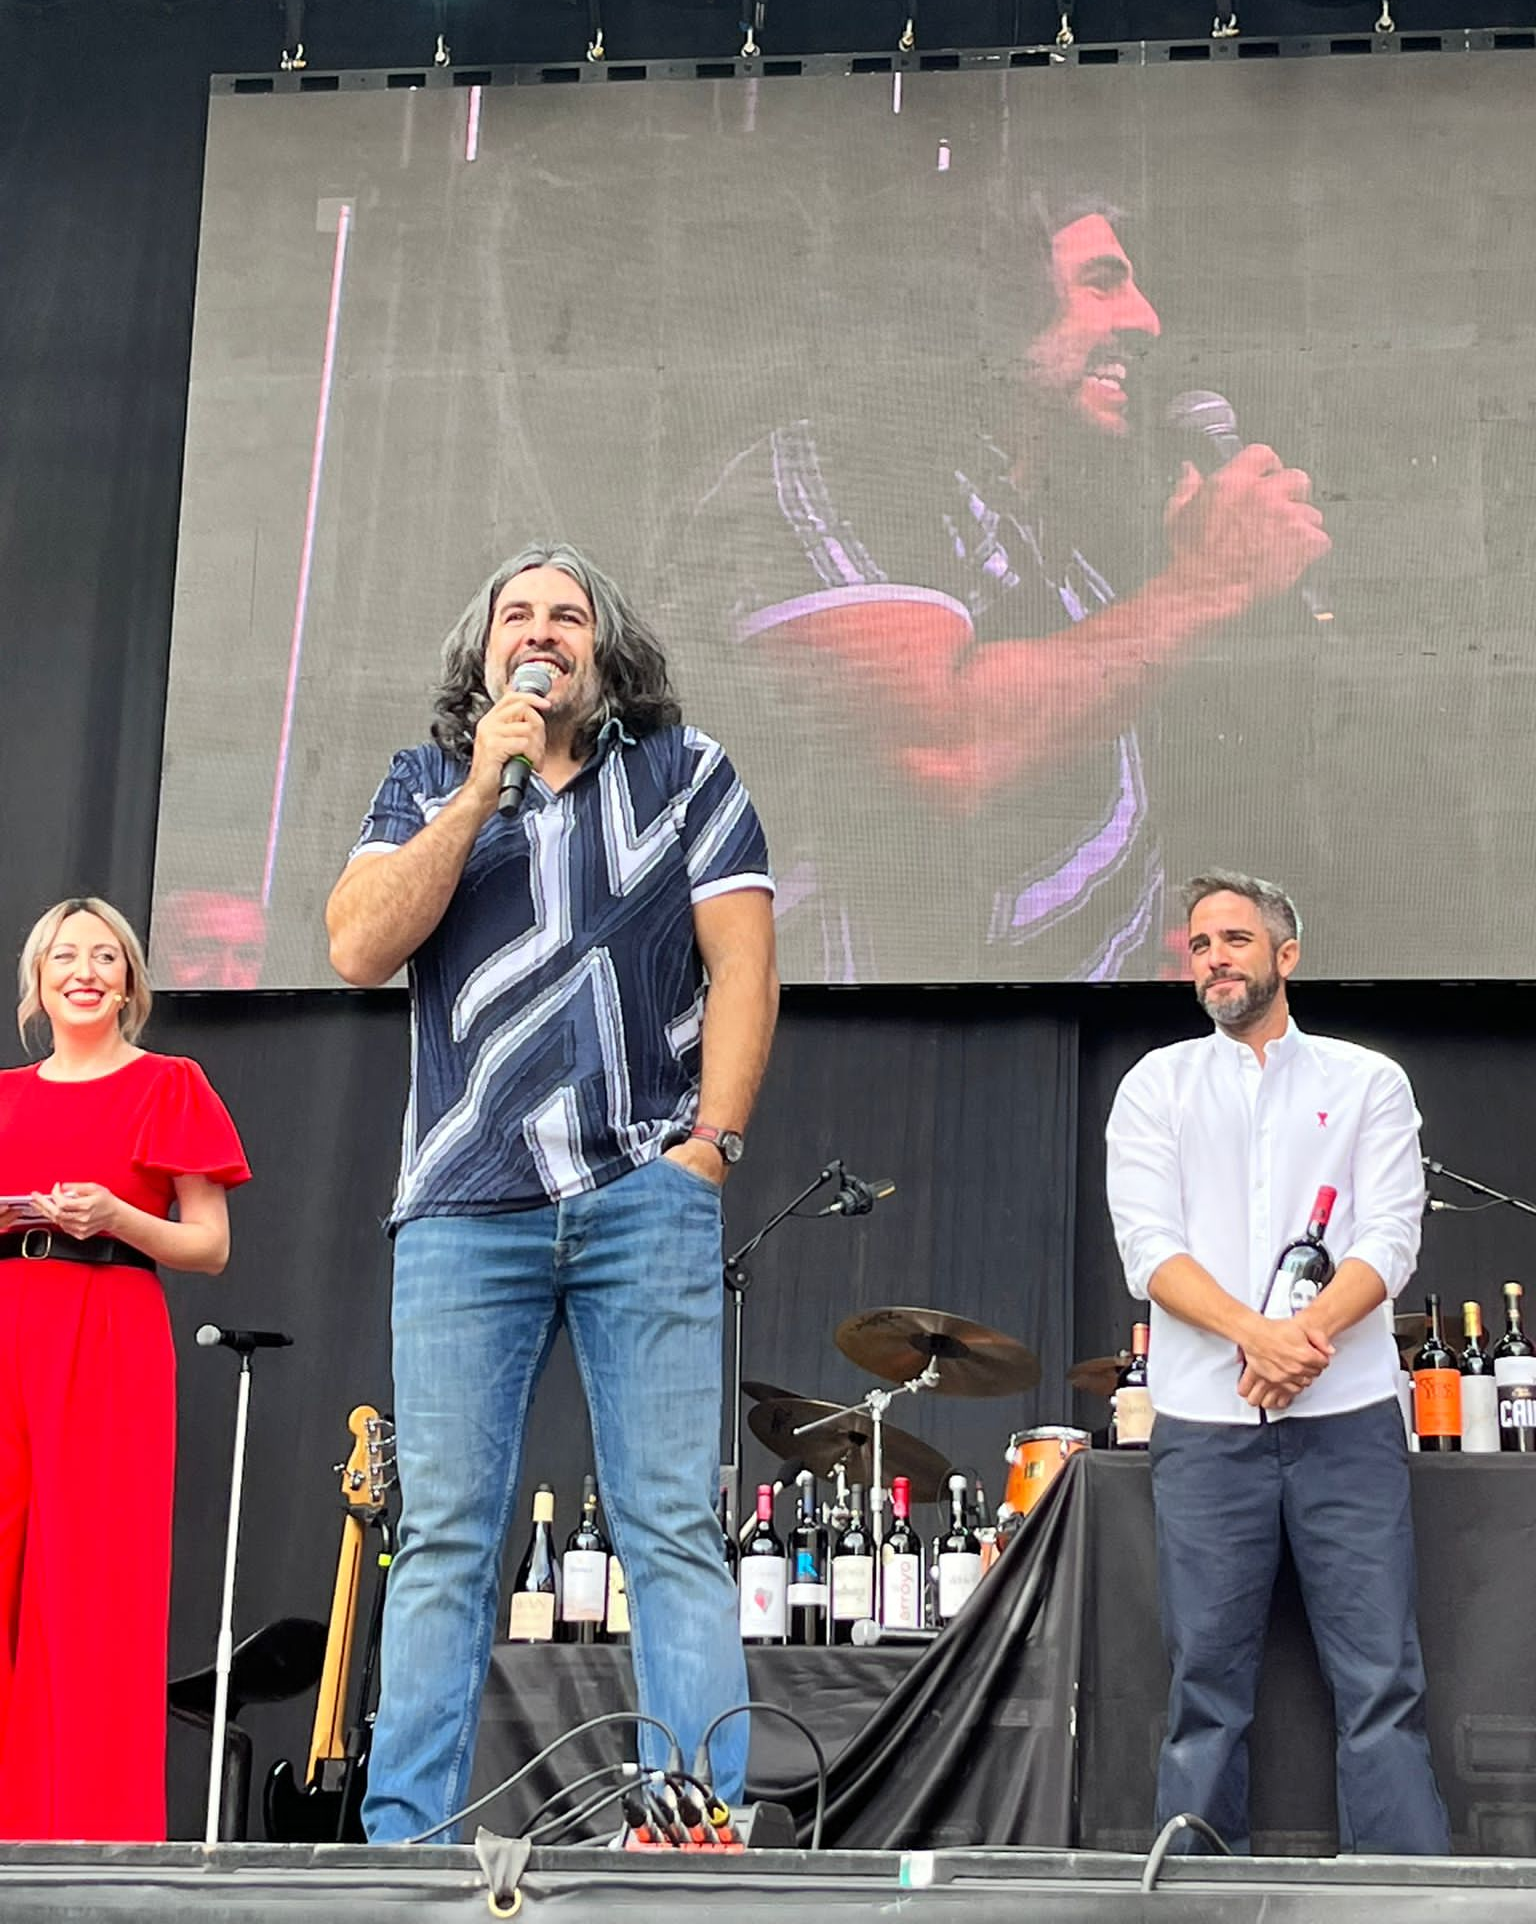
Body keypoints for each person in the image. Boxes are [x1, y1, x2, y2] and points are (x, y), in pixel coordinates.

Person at [326, 542, 778, 1843]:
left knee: (673, 1532)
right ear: (483, 658)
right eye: (517, 615)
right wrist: (479, 790)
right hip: (467, 1205)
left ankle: (694, 1823)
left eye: (566, 614)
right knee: (448, 1546)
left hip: (646, 1189)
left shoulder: (688, 776)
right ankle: (407, 1842)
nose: (542, 630)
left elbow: (744, 966)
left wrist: (714, 1149)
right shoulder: (425, 782)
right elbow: (359, 943)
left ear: (605, 649)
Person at [679, 198, 1330, 983]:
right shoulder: (831, 471)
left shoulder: (1048, 539)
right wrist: (1211, 582)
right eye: (1102, 281)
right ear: (987, 302)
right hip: (895, 1066)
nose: (1148, 321)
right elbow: (945, 746)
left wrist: (1139, 928)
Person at [1105, 870, 1449, 1854]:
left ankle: (1409, 1894)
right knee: (1205, 1675)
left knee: (1381, 1673)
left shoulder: (1366, 1079)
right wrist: (1259, 1337)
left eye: (1235, 939)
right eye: (1199, 943)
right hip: (1208, 1429)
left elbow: (1389, 1238)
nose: (1213, 956)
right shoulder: (1155, 1086)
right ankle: (1198, 1888)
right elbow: (1150, 1249)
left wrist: (1303, 1343)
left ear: (1285, 956)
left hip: (1347, 1423)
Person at [0, 897, 249, 1841]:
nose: (86, 971)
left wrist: (114, 1218)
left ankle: (90, 1839)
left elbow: (210, 1245)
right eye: (66, 956)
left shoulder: (168, 1084)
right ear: (38, 980)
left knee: (95, 1588)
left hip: (106, 1325)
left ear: (132, 981)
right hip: (6, 1326)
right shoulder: (5, 1094)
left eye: (107, 956)